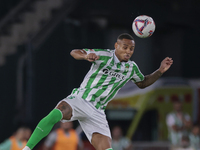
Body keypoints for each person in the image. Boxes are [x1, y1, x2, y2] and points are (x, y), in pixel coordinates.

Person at [22, 33, 173, 150]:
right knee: (56, 113)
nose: (128, 51)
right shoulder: (104, 55)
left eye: (131, 49)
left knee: (106, 148)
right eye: (125, 47)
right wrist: (86, 55)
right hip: (81, 99)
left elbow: (143, 83)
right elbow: (74, 52)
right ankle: (27, 148)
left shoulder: (131, 68)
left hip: (97, 112)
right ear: (116, 46)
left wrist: (160, 70)